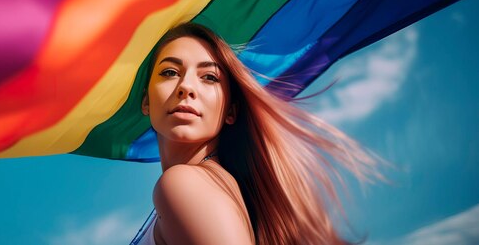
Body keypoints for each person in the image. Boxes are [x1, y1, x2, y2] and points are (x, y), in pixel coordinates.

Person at [130, 23, 381, 245]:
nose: (186, 87)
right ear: (146, 102)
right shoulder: (206, 186)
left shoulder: (183, 184)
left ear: (230, 110)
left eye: (209, 77)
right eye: (170, 72)